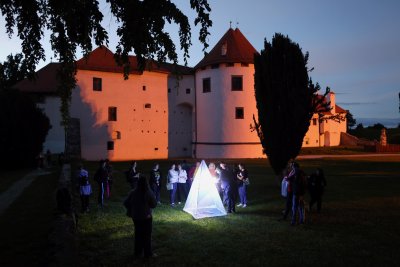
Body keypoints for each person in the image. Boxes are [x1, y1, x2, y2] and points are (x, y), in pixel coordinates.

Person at [124, 175, 157, 259]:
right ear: (146, 183)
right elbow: (154, 204)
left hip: (136, 217)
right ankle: (148, 254)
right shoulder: (148, 192)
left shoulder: (133, 192)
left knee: (138, 234)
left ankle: (137, 252)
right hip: (146, 217)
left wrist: (133, 209)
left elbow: (126, 203)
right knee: (147, 236)